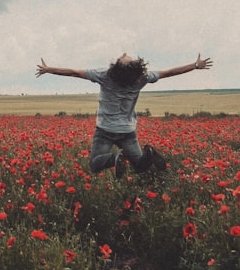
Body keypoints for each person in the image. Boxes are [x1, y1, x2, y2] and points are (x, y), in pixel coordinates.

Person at [36, 53, 213, 177]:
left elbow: (74, 72)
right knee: (140, 166)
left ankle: (115, 158)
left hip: (105, 130)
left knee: (94, 164)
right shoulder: (142, 78)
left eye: (123, 57)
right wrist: (195, 66)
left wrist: (48, 69)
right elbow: (169, 73)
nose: (124, 53)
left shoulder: (104, 75)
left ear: (116, 66)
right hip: (128, 131)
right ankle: (149, 154)